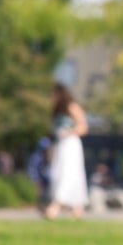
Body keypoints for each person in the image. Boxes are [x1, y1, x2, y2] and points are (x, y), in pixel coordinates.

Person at [45, 83, 88, 219]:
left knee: (69, 173)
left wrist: (69, 132)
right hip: (60, 145)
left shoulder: (72, 107)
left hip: (71, 144)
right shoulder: (57, 111)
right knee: (59, 173)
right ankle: (77, 207)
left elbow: (83, 127)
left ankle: (56, 205)